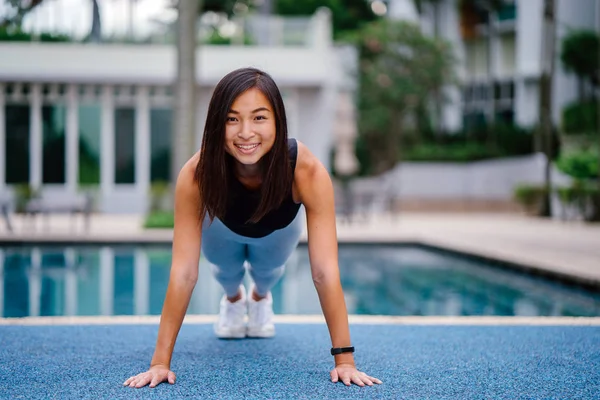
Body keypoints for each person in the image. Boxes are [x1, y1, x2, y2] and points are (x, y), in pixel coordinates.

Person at [123, 67, 382, 389]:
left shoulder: (306, 170)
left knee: (268, 270)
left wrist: (344, 360)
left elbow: (325, 271)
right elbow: (184, 273)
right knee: (226, 270)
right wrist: (159, 363)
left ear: (278, 122)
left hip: (277, 228)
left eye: (259, 118)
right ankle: (233, 301)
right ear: (217, 124)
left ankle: (259, 299)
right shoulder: (196, 174)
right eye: (232, 119)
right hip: (221, 226)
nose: (245, 132)